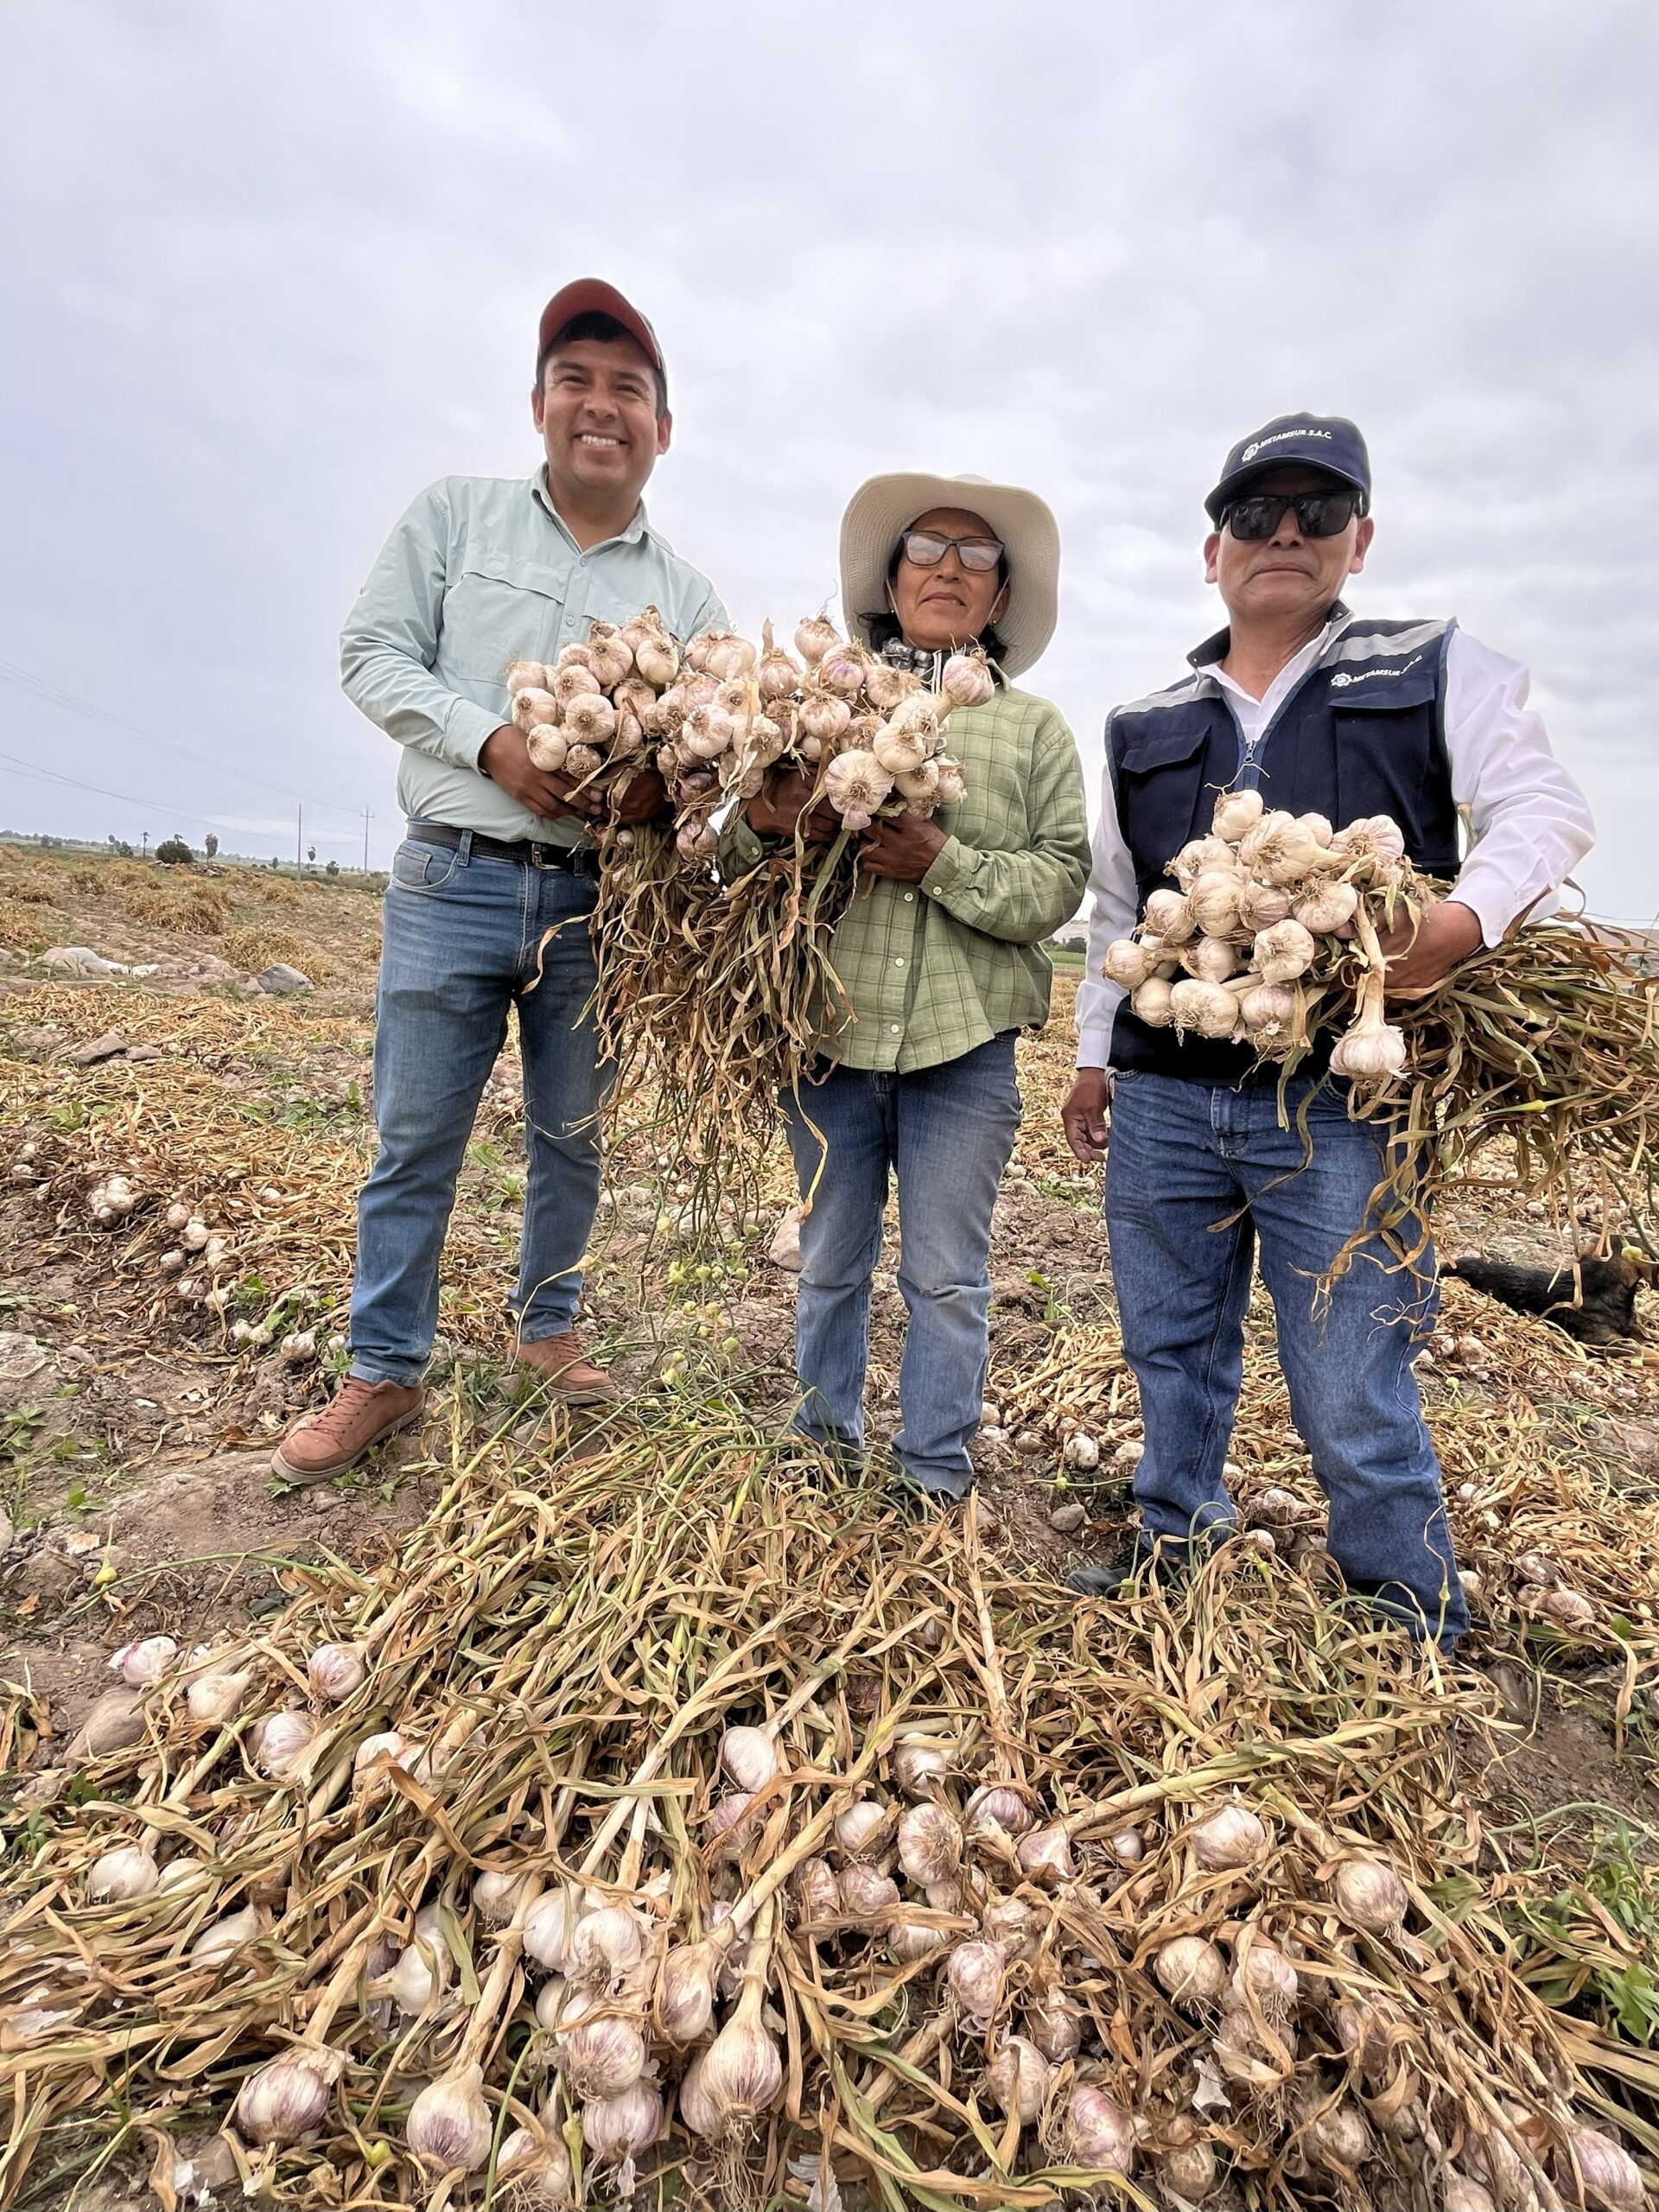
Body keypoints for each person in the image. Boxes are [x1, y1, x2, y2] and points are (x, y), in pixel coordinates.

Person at [1063, 414, 1595, 1646]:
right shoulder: (1146, 720)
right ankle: (1174, 1536)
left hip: (1345, 1103)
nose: (1286, 534)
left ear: (1361, 538)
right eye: (1256, 514)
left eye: (1319, 511)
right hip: (1167, 1096)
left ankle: (1405, 1607)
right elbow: (1115, 911)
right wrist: (1093, 1056)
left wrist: (1459, 924)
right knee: (1169, 1345)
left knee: (1355, 1367)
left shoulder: (1434, 663)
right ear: (1214, 551)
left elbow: (1542, 806)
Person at [274, 279, 727, 1484]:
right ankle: (383, 1368)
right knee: (416, 1138)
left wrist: (660, 795)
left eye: (627, 389)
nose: (600, 406)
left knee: (572, 1135)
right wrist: (490, 743)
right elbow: (371, 654)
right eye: (576, 381)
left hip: (597, 902)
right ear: (539, 406)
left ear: (662, 428)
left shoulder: (686, 598)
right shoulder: (457, 518)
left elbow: (714, 757)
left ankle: (548, 1331)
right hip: (453, 876)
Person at [724, 474, 1092, 1500]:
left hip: (963, 1050)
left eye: (978, 557)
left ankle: (933, 1469)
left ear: (1002, 597)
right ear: (889, 580)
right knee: (830, 1260)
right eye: (927, 548)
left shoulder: (1036, 731)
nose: (949, 569)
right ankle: (821, 1445)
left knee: (948, 1277)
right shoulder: (818, 712)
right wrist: (764, 821)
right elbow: (730, 861)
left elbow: (1060, 883)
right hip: (827, 1039)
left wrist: (942, 861)